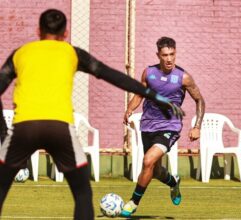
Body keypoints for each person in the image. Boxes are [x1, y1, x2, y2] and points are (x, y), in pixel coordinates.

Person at [0, 9, 184, 220]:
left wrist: (4, 133)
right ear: (66, 33)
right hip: (60, 129)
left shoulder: (20, 53)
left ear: (38, 30)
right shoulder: (72, 52)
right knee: (82, 193)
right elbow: (112, 75)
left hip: (24, 129)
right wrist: (153, 95)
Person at [122, 36, 205, 217]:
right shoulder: (149, 73)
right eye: (165, 55)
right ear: (158, 55)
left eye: (172, 54)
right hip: (148, 126)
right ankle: (173, 182)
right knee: (155, 169)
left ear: (176, 53)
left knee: (148, 160)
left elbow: (199, 100)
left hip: (170, 126)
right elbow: (139, 94)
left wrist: (197, 125)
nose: (169, 59)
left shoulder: (183, 77)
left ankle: (133, 203)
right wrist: (129, 109)